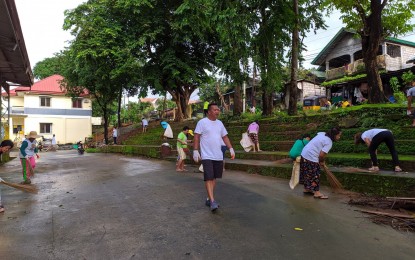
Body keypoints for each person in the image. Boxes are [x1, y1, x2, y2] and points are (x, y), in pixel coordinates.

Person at [193, 103, 235, 212]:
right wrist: (195, 150)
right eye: (215, 110)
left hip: (218, 155)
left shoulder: (220, 123)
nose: (217, 111)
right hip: (206, 155)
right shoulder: (202, 122)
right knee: (208, 177)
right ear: (209, 112)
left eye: (218, 110)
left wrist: (230, 148)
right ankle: (212, 201)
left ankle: (208, 198)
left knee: (214, 178)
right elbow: (197, 136)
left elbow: (224, 137)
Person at [300, 127, 342, 199]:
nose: (339, 137)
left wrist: (320, 161)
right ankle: (317, 193)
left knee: (307, 173)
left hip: (304, 154)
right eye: (338, 135)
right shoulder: (329, 142)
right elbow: (322, 155)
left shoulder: (322, 134)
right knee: (316, 174)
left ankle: (307, 189)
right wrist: (321, 161)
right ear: (334, 135)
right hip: (311, 156)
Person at [0, 140, 14, 213]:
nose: (7, 150)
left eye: (9, 149)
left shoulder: (1, 151)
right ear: (2, 146)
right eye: (7, 148)